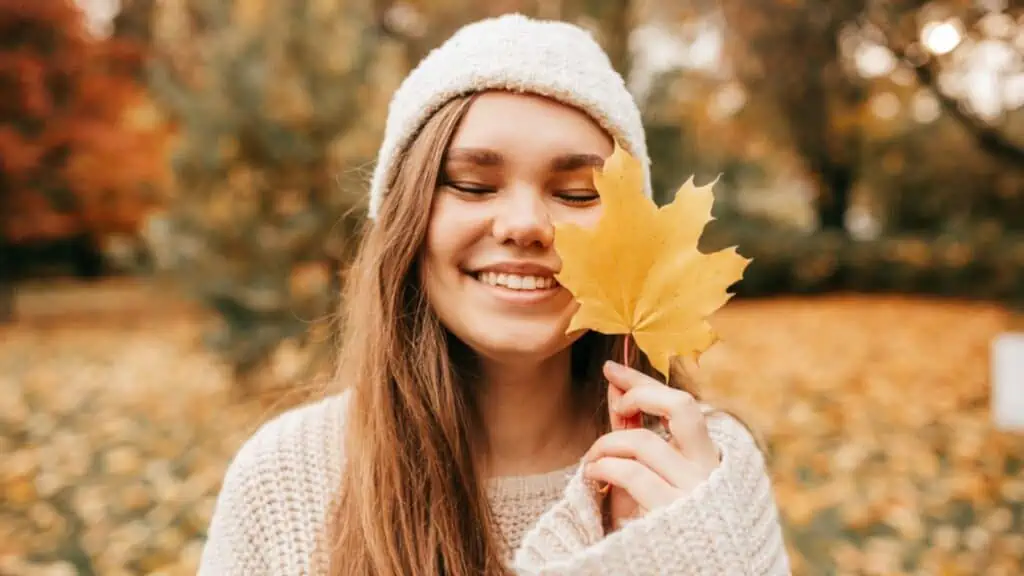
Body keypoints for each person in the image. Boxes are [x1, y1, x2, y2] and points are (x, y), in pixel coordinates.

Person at [198, 13, 790, 576]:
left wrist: (685, 551)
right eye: (473, 185)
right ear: (407, 222)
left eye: (578, 193)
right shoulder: (284, 480)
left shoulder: (708, 469)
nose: (525, 224)